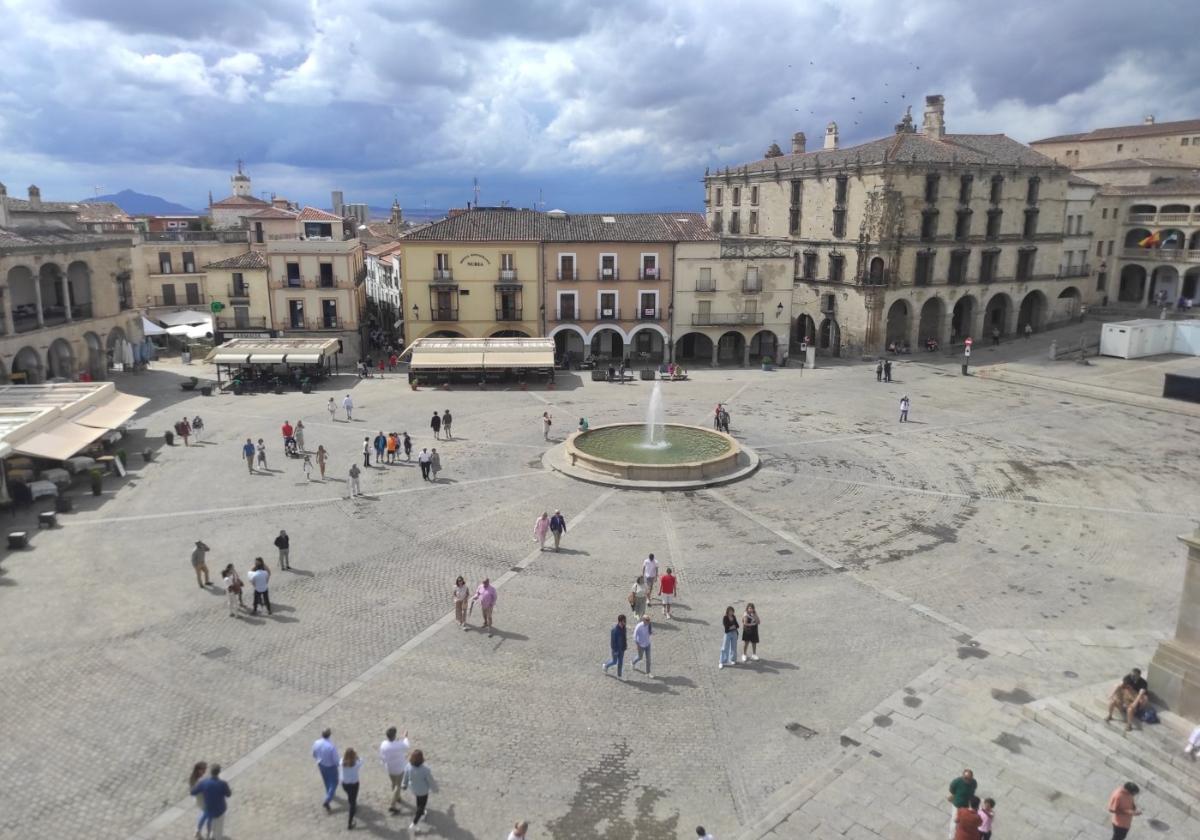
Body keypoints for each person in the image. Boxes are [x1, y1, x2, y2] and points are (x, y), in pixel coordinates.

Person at [190, 763, 231, 840]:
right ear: (218, 772)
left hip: (209, 808)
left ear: (210, 772)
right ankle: (212, 836)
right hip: (220, 810)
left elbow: (193, 792)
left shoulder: (203, 783)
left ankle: (203, 833)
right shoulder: (223, 784)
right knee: (218, 828)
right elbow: (229, 794)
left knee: (206, 817)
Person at [401, 749, 437, 833]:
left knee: (419, 801)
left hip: (414, 789)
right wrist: (435, 790)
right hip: (423, 791)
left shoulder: (408, 766)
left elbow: (405, 776)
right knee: (422, 805)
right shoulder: (425, 769)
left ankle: (422, 813)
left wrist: (404, 784)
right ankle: (414, 824)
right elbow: (430, 781)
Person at [379, 726, 411, 815]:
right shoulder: (399, 744)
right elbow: (407, 746)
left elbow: (382, 757)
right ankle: (392, 804)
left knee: (393, 783)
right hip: (399, 768)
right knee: (398, 785)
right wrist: (405, 737)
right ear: (394, 736)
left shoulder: (383, 744)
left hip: (390, 767)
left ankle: (398, 797)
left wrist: (383, 763)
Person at [312, 728, 340, 812]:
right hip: (330, 767)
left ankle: (329, 793)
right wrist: (338, 765)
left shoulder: (316, 742)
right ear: (329, 735)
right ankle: (327, 799)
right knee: (334, 782)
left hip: (321, 764)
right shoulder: (331, 746)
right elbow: (335, 760)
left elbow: (314, 753)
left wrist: (318, 759)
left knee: (326, 780)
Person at [947, 769, 977, 839]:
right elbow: (952, 789)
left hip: (966, 805)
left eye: (969, 778)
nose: (967, 780)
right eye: (965, 778)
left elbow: (974, 789)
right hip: (957, 804)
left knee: (963, 822)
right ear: (962, 776)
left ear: (972, 777)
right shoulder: (957, 782)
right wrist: (955, 795)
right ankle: (951, 837)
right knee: (954, 821)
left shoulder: (974, 782)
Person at [341, 748, 363, 830]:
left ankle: (352, 805)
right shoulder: (356, 763)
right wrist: (357, 756)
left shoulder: (342, 762)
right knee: (353, 802)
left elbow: (343, 760)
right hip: (354, 784)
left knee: (350, 797)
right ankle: (350, 823)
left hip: (345, 784)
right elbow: (361, 761)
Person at [603, 614, 628, 679]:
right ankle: (606, 665)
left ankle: (619, 675)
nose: (625, 622)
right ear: (620, 621)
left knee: (620, 662)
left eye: (625, 620)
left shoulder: (624, 628)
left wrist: (625, 646)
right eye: (624, 621)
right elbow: (613, 642)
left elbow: (624, 638)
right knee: (614, 662)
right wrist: (615, 650)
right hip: (616, 650)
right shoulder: (614, 630)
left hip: (622, 649)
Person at [631, 614, 653, 678]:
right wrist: (637, 645)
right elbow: (634, 637)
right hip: (641, 645)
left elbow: (650, 631)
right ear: (643, 620)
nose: (648, 621)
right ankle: (633, 662)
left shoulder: (649, 624)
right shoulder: (639, 626)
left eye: (649, 620)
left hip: (648, 644)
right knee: (640, 657)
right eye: (647, 620)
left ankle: (648, 672)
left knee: (648, 659)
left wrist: (651, 632)